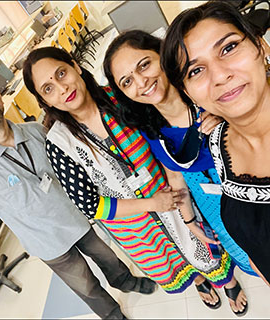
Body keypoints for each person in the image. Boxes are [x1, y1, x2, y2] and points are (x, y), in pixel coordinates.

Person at [22, 46, 237, 310]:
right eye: (48, 88)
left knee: (204, 244)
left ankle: (228, 283)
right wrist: (151, 205)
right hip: (135, 226)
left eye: (61, 73)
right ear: (45, 102)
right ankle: (198, 282)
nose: (62, 88)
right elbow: (91, 205)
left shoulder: (122, 97)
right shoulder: (59, 143)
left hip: (175, 195)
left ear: (75, 67)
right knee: (174, 261)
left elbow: (169, 121)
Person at [0, 70, 165, 320]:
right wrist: (24, 209)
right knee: (85, 284)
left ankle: (126, 281)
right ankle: (112, 314)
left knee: (107, 256)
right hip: (45, 240)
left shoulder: (35, 131)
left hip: (76, 217)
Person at [103, 30, 249, 315]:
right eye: (127, 81)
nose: (141, 82)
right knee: (250, 257)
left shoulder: (207, 91)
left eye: (144, 64)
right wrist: (191, 220)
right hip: (214, 209)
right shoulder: (151, 128)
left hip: (249, 188)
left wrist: (229, 115)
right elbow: (175, 176)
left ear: (162, 54)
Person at [162, 0, 270, 286]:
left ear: (261, 47)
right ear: (189, 93)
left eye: (229, 48)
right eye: (196, 71)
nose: (220, 75)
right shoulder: (219, 144)